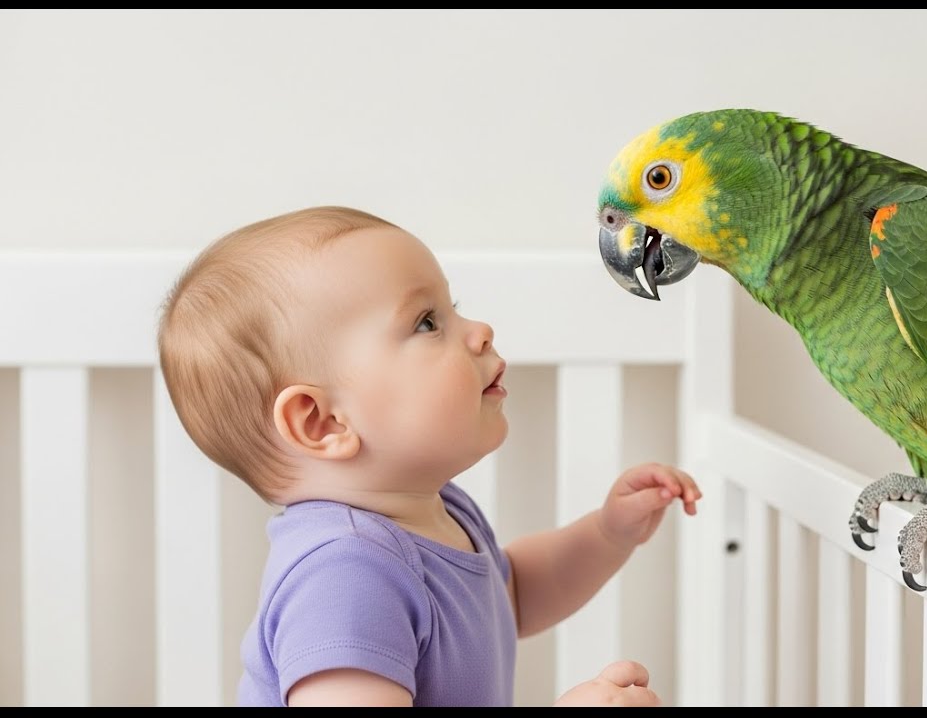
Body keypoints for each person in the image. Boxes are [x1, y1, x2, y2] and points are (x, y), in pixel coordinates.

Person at [157, 206, 701, 706]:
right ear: (323, 423)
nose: (480, 330)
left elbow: (509, 599)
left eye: (452, 308)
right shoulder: (345, 574)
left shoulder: (436, 511)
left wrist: (607, 533)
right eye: (426, 322)